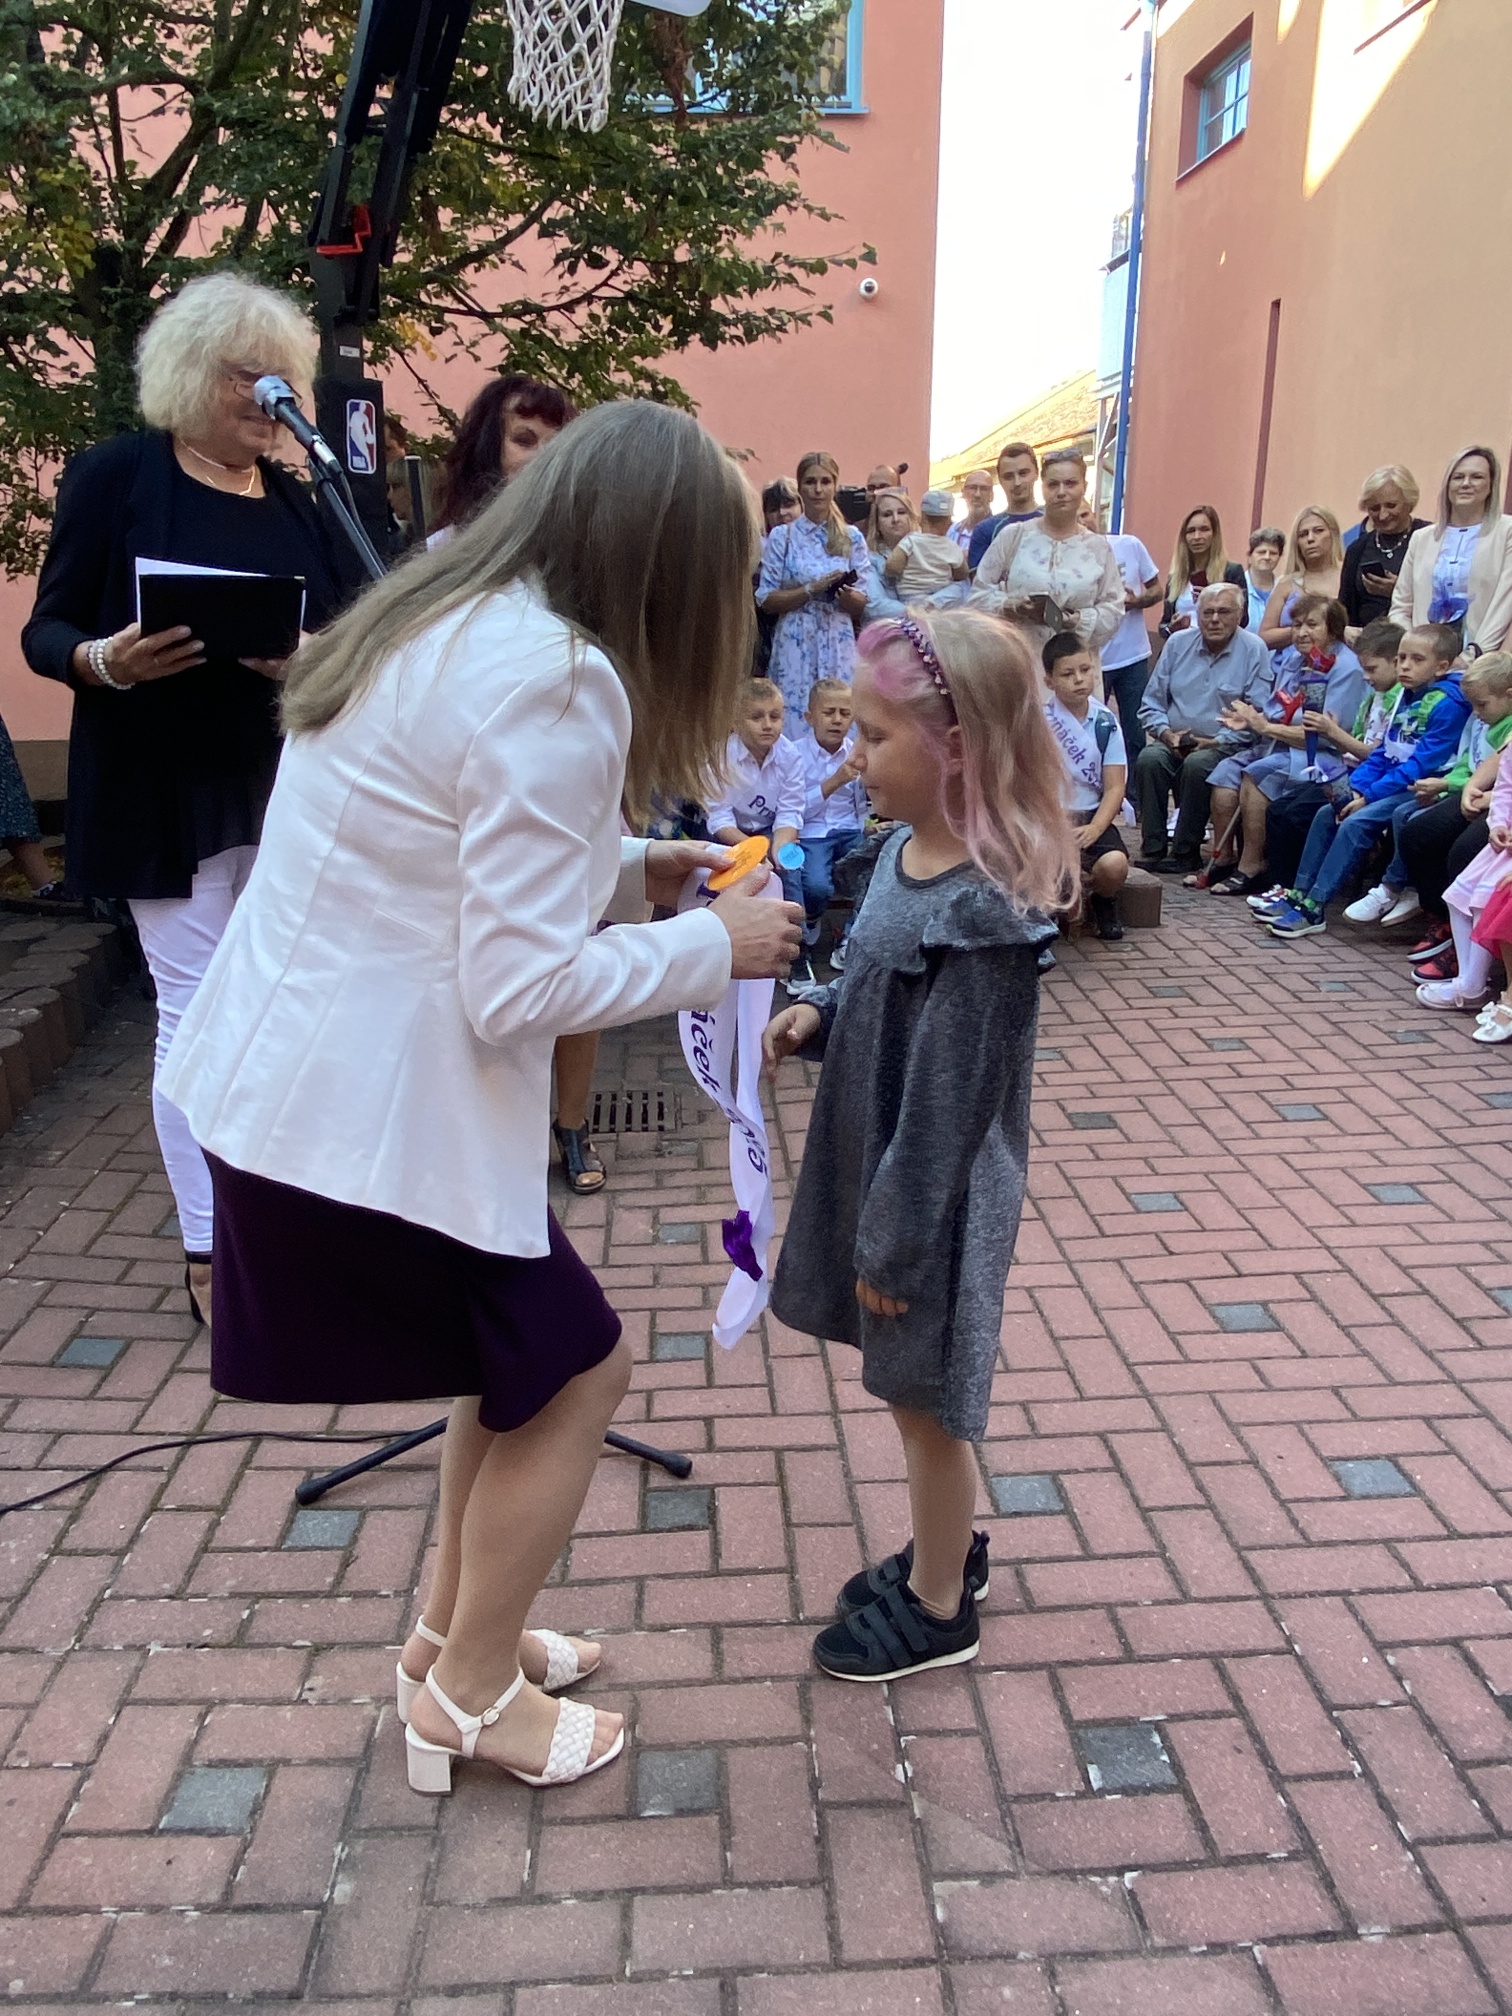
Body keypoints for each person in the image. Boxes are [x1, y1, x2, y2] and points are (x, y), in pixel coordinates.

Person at [160, 401, 803, 1796]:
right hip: (365, 1126)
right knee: (576, 1373)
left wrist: (631, 869)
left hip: (302, 1092)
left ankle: (456, 1639)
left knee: (512, 1365)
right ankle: (466, 1696)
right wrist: (715, 946)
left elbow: (433, 841)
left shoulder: (440, 610)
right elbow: (517, 984)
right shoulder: (562, 681)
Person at [21, 271, 357, 1329]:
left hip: (278, 784)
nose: (267, 397)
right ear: (188, 374)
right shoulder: (117, 476)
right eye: (245, 377)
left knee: (280, 1004)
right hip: (156, 786)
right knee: (197, 1009)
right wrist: (104, 661)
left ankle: (279, 1219)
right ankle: (211, 1249)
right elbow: (46, 629)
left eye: (281, 378)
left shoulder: (300, 496)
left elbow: (357, 628)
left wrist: (306, 656)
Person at [761, 608, 1076, 1682]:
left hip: (930, 1203)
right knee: (910, 1390)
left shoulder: (986, 911)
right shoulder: (904, 853)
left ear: (959, 749)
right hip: (886, 1168)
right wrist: (818, 1013)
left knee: (926, 1401)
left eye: (874, 735)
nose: (853, 756)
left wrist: (894, 1247)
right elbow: (872, 977)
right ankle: (947, 1548)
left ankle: (942, 1603)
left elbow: (947, 1108)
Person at [1259, 624, 1468, 939]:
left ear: (1441, 666)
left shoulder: (1448, 704)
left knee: (1355, 822)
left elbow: (1420, 764)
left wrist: (1368, 797)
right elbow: (1385, 752)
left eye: (1416, 660)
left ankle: (1316, 906)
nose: (1405, 666)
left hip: (1421, 787)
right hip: (1390, 780)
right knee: (1327, 812)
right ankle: (1299, 892)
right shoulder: (1407, 695)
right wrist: (1355, 788)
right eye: (1401, 658)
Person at [1204, 596, 1365, 896]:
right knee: (1225, 774)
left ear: (1333, 629)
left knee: (1257, 773)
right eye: (1297, 625)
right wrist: (1251, 720)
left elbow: (1328, 734)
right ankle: (1223, 857)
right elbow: (1275, 710)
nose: (1301, 632)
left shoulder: (1347, 669)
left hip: (1321, 755)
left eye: (1312, 625)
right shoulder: (1294, 660)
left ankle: (1252, 866)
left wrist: (1266, 727)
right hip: (1278, 744)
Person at [1250, 619, 1403, 901]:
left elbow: (1376, 755)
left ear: (1396, 662)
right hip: (1351, 771)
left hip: (1368, 778)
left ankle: (1300, 890)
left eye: (1371, 669)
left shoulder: (1398, 702)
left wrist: (1331, 732)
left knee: (1299, 816)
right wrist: (1331, 733)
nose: (1365, 677)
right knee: (1279, 810)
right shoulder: (1375, 697)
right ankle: (1282, 887)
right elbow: (1356, 744)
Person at [1134, 581, 1271, 874]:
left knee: (1197, 765)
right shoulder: (1177, 643)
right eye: (1208, 612)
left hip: (1226, 744)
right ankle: (1154, 847)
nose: (1214, 619)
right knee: (1149, 759)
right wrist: (1166, 733)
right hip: (1174, 739)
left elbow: (1257, 715)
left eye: (1224, 612)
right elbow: (1151, 702)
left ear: (1240, 615)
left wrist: (1217, 740)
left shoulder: (1254, 649)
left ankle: (1186, 851)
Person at [1389, 652, 1512, 970]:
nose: (1476, 713)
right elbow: (1501, 758)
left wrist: (1489, 799)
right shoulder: (1495, 723)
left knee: (1464, 853)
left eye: (1481, 705)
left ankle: (1469, 951)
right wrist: (1472, 786)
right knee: (1417, 833)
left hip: (1502, 806)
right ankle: (1443, 920)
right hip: (1493, 798)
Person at [970, 450, 1123, 659]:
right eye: (1053, 485)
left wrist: (1078, 620)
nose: (1061, 492)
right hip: (1021, 662)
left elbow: (1114, 610)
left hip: (1075, 667)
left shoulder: (1098, 548)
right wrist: (1011, 606)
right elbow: (977, 596)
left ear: (1084, 487)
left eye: (1070, 483)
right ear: (1042, 488)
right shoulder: (1014, 536)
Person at [756, 450, 869, 730]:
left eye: (825, 482)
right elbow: (766, 597)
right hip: (796, 638)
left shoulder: (851, 537)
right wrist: (811, 589)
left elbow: (863, 601)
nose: (818, 489)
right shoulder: (783, 536)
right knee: (794, 719)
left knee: (838, 718)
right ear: (800, 487)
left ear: (834, 486)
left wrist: (845, 595)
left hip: (837, 637)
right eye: (810, 482)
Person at [1043, 632, 1127, 939]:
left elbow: (1115, 787)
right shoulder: (1040, 723)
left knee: (1114, 865)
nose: (1079, 679)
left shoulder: (1106, 722)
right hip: (1050, 816)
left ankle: (1104, 901)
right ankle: (1048, 911)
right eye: (1067, 674)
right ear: (1049, 681)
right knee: (1043, 860)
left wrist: (1096, 828)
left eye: (1085, 670)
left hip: (1092, 814)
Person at [1391, 445, 1512, 657]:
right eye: (1458, 477)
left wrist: (1476, 654)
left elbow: (1505, 603)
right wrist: (1415, 650)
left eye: (1476, 477)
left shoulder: (1506, 532)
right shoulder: (1422, 538)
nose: (1466, 484)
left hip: (1483, 660)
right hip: (1422, 661)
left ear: (1491, 484)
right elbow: (1401, 605)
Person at [704, 676, 808, 919]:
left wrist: (779, 848)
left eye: (775, 716)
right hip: (730, 832)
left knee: (789, 870)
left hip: (770, 831)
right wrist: (754, 852)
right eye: (757, 717)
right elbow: (719, 817)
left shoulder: (791, 756)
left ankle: (796, 934)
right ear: (736, 722)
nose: (768, 725)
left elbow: (790, 810)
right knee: (729, 874)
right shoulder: (718, 759)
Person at [428, 374, 578, 541]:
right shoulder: (445, 547)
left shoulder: (582, 546)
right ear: (490, 448)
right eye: (524, 441)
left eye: (555, 447)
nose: (541, 456)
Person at [797, 679, 869, 963]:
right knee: (817, 887)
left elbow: (861, 802)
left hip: (849, 829)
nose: (837, 720)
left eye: (845, 713)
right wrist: (834, 781)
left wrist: (867, 824)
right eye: (829, 713)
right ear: (809, 717)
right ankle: (812, 917)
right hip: (812, 832)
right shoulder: (794, 755)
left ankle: (850, 935)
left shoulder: (857, 752)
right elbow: (793, 810)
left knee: (876, 875)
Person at [1097, 517, 1162, 765]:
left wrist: (1137, 601)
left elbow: (1157, 590)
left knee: (1135, 734)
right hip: (1091, 660)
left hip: (1132, 656)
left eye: (1086, 514)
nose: (1083, 520)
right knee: (1093, 734)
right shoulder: (1068, 556)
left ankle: (1133, 788)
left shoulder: (1129, 544)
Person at [1340, 467, 1426, 634]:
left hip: (1415, 637)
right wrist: (1346, 631)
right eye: (1374, 508)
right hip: (1367, 640)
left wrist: (1400, 591)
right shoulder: (1357, 549)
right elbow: (1345, 608)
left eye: (1391, 505)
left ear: (1409, 503)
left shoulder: (1429, 538)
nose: (1383, 515)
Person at [1258, 507, 1344, 652]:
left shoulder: (1348, 575)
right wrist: (1304, 629)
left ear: (1333, 533)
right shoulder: (1286, 584)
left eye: (1318, 531)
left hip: (1339, 661)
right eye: (1303, 534)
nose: (1310, 539)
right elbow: (1264, 637)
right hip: (1290, 662)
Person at [1159, 505, 1248, 637]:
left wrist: (1214, 601)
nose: (1197, 536)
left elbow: (1243, 620)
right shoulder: (1175, 578)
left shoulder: (1232, 572)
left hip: (1219, 647)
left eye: (1204, 529)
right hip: (1183, 646)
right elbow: (1163, 626)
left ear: (1215, 534)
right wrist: (1172, 627)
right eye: (1191, 531)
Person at [967, 442, 1042, 570]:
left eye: (1023, 473)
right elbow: (980, 580)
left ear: (1036, 473)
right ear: (1000, 480)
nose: (1017, 482)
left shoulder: (1058, 521)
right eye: (1008, 476)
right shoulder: (985, 530)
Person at [886, 490, 969, 601]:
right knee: (962, 586)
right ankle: (932, 602)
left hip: (911, 595)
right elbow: (962, 574)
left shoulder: (911, 540)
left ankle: (926, 603)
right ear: (948, 522)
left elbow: (892, 567)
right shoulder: (952, 547)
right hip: (941, 595)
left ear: (921, 518)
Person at [861, 488, 917, 625]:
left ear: (911, 517)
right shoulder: (868, 560)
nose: (895, 519)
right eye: (887, 514)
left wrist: (934, 603)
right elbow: (874, 606)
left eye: (901, 512)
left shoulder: (929, 549)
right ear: (877, 523)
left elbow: (957, 586)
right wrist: (918, 613)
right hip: (887, 631)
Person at [1245, 527, 1285, 633]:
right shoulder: (1238, 587)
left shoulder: (1284, 589)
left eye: (1273, 553)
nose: (1267, 557)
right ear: (1250, 556)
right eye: (1261, 552)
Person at [950, 470, 995, 553]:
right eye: (972, 488)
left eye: (984, 489)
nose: (977, 494)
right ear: (963, 493)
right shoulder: (953, 531)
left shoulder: (998, 532)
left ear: (992, 495)